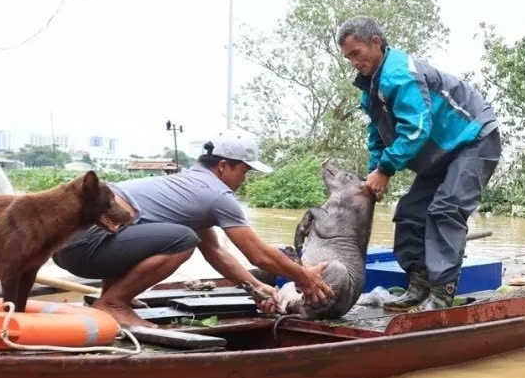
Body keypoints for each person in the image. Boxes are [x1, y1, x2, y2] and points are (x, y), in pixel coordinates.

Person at [53, 130, 334, 328]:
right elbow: (258, 255)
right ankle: (114, 303)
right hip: (87, 241)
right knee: (182, 238)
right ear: (223, 166)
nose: (244, 180)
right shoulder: (216, 195)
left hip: (66, 242)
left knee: (169, 233)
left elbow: (215, 252)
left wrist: (256, 287)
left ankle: (113, 298)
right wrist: (304, 277)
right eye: (244, 172)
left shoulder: (190, 185)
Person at [337, 16, 501, 312]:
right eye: (348, 57)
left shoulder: (400, 74)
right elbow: (377, 134)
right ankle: (419, 285)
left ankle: (441, 294)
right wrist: (374, 170)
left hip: (474, 138)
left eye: (355, 53)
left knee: (446, 209)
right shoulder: (372, 89)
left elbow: (415, 129)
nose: (352, 62)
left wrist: (386, 169)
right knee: (411, 212)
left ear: (375, 42)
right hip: (443, 152)